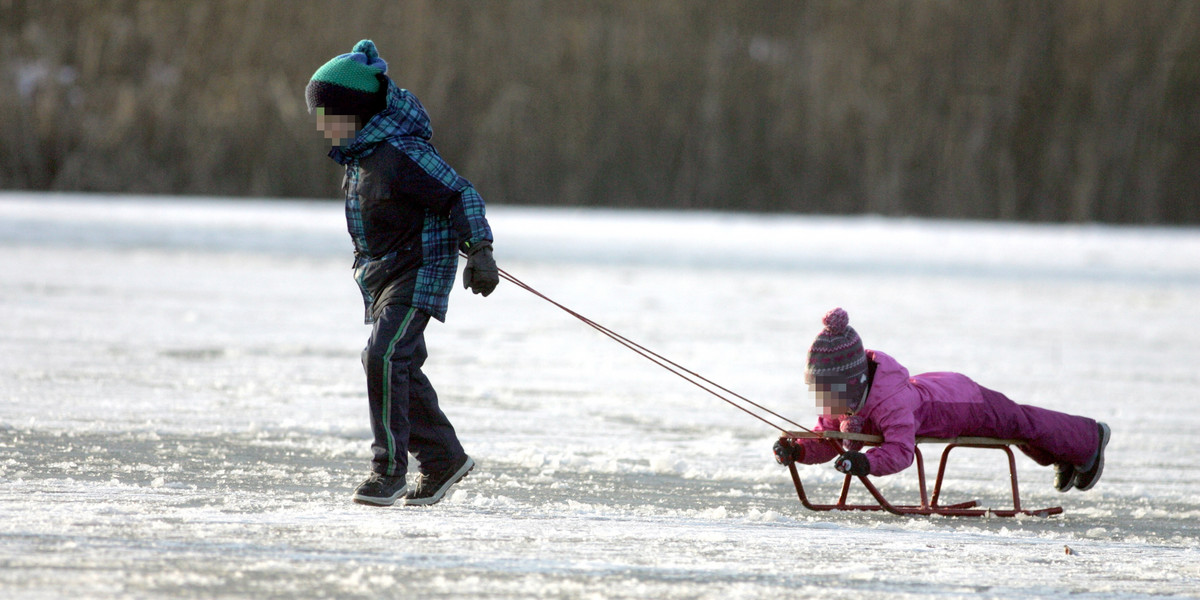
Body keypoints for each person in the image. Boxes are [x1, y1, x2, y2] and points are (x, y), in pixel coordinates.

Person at [306, 40, 499, 507]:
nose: (320, 126)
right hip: (384, 277)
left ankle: (387, 471)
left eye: (326, 114)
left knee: (383, 357)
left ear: (354, 110)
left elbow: (460, 195)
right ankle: (443, 459)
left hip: (420, 270)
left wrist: (480, 250)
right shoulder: (358, 157)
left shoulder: (401, 152)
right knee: (397, 365)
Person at [773, 308, 1110, 492]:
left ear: (852, 382)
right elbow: (829, 439)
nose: (823, 401)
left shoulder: (890, 403)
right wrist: (799, 449)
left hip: (965, 404)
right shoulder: (843, 405)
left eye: (828, 390)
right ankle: (1068, 454)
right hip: (936, 388)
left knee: (1020, 424)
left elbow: (902, 452)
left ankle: (1089, 438)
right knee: (1021, 430)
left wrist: (866, 463)